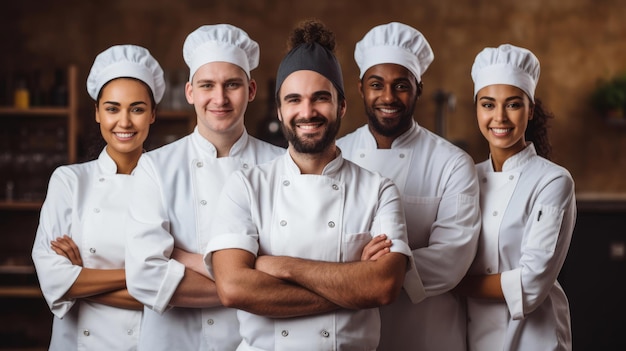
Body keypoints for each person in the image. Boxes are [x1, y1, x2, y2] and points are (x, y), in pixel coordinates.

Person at [203, 19, 421, 351]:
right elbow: (234, 287)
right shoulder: (246, 186)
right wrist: (352, 282)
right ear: (279, 110)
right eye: (294, 100)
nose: (307, 112)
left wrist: (281, 266)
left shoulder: (379, 190)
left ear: (342, 106)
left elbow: (383, 287)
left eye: (320, 98)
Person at [124, 24, 284, 350]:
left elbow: (295, 257)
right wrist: (247, 283)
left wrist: (180, 257)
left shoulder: (281, 165)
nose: (219, 98)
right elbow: (144, 275)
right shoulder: (155, 167)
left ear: (251, 90)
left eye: (232, 85)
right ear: (190, 93)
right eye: (207, 85)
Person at [336, 22, 481, 350]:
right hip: (351, 334)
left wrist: (365, 274)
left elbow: (452, 258)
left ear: (418, 88)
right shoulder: (336, 156)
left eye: (401, 85)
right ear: (360, 89)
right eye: (377, 84)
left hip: (429, 335)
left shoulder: (452, 163)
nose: (388, 97)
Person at [31, 44, 165, 350]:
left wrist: (79, 281)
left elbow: (173, 293)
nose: (125, 122)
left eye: (138, 108)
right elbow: (52, 279)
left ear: (153, 114)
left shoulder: (169, 185)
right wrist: (142, 274)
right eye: (113, 108)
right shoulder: (69, 181)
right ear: (97, 113)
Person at [454, 43, 576, 350]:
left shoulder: (552, 180)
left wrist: (453, 284)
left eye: (513, 104)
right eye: (488, 104)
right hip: (473, 338)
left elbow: (531, 285)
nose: (500, 117)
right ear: (477, 109)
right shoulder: (466, 177)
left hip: (535, 339)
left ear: (530, 109)